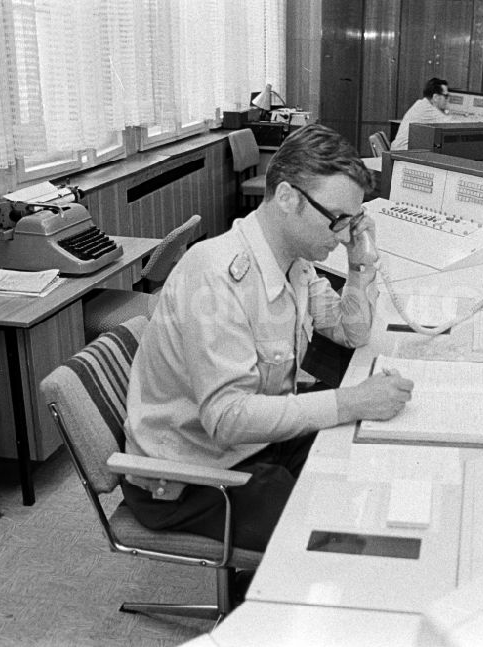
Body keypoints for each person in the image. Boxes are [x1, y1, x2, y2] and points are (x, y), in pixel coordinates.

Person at [121, 124, 414, 553]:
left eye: (354, 221)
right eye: (339, 220)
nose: (346, 232)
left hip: (256, 445)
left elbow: (351, 332)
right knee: (344, 537)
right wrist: (351, 401)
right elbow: (227, 420)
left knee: (366, 461)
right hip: (192, 478)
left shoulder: (292, 261)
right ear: (288, 199)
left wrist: (360, 262)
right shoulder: (216, 276)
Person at [390, 77, 468, 150]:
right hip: (402, 152)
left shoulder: (423, 104)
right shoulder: (426, 108)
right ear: (436, 97)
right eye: (446, 96)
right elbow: (453, 125)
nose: (448, 99)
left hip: (405, 150)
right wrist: (476, 119)